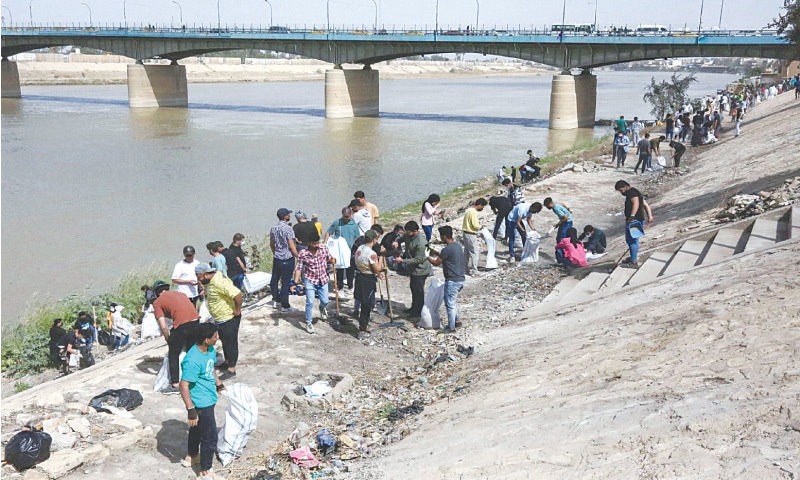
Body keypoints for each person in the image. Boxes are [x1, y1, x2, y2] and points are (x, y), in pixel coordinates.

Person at [179, 322, 226, 480]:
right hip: (200, 403)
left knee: (196, 430)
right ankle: (206, 470)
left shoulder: (210, 350)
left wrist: (218, 384)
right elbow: (183, 386)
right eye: (215, 336)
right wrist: (191, 410)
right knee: (210, 436)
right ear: (207, 339)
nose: (217, 338)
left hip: (208, 398)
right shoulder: (192, 360)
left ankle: (192, 456)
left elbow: (210, 367)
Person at [152, 280, 201, 395]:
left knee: (173, 354)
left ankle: (175, 384)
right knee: (191, 351)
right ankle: (196, 377)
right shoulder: (180, 294)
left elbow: (163, 325)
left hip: (183, 326)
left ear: (157, 292)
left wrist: (168, 338)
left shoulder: (157, 302)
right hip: (196, 321)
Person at [196, 263, 242, 380]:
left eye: (199, 277)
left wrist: (237, 310)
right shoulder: (210, 282)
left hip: (228, 317)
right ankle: (227, 362)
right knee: (224, 340)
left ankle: (231, 369)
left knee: (230, 342)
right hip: (219, 318)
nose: (198, 279)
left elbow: (237, 294)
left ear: (206, 274)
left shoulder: (219, 282)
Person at [293, 231, 335, 334]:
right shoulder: (303, 253)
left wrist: (333, 260)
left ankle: (322, 308)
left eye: (317, 242)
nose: (316, 245)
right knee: (310, 301)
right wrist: (296, 281)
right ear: (309, 243)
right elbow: (298, 268)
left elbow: (329, 259)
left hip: (323, 278)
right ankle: (309, 322)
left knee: (325, 300)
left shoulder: (324, 248)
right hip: (310, 279)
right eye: (314, 243)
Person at [427, 226, 466, 332]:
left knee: (449, 304)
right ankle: (457, 321)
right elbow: (444, 256)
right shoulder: (457, 246)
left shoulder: (447, 249)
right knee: (452, 301)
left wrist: (427, 256)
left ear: (444, 236)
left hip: (453, 281)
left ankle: (451, 327)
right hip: (461, 279)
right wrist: (434, 252)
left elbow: (436, 263)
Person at [393, 221, 431, 317]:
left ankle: (418, 312)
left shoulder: (421, 243)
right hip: (413, 268)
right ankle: (414, 308)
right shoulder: (408, 235)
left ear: (415, 231)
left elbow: (419, 259)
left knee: (418, 290)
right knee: (413, 288)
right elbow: (401, 237)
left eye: (409, 232)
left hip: (421, 269)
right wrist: (396, 241)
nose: (407, 233)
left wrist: (402, 261)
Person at [614, 180, 653, 269]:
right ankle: (632, 257)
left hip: (634, 221)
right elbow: (645, 204)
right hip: (637, 220)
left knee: (632, 240)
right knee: (631, 240)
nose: (621, 193)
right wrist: (650, 216)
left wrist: (632, 216)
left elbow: (636, 203)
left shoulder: (632, 193)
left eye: (621, 190)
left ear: (626, 186)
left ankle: (634, 262)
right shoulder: (636, 192)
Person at [324, 207, 360, 294]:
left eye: (347, 216)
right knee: (339, 269)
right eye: (344, 216)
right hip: (339, 250)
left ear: (350, 215)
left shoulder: (354, 224)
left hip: (350, 250)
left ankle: (350, 286)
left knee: (350, 269)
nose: (346, 218)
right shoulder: (337, 223)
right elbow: (329, 232)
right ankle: (340, 287)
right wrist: (325, 244)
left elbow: (357, 237)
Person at [353, 230, 383, 336]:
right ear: (374, 240)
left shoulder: (360, 248)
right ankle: (363, 327)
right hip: (367, 279)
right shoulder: (372, 253)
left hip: (359, 276)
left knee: (362, 301)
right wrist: (382, 257)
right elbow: (377, 269)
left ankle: (364, 324)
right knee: (368, 303)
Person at [270, 208, 299, 314]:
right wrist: (299, 257)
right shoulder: (288, 229)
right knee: (285, 283)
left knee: (274, 280)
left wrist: (276, 253)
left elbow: (272, 244)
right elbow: (291, 246)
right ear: (285, 216)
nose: (289, 216)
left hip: (277, 258)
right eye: (288, 214)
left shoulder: (273, 228)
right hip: (287, 258)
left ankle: (276, 299)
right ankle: (285, 305)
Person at [462, 198, 487, 275]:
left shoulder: (468, 210)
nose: (482, 208)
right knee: (474, 252)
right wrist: (481, 226)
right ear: (479, 205)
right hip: (470, 234)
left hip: (465, 233)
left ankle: (464, 268)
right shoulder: (473, 212)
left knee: (466, 252)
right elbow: (475, 225)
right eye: (482, 206)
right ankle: (474, 270)